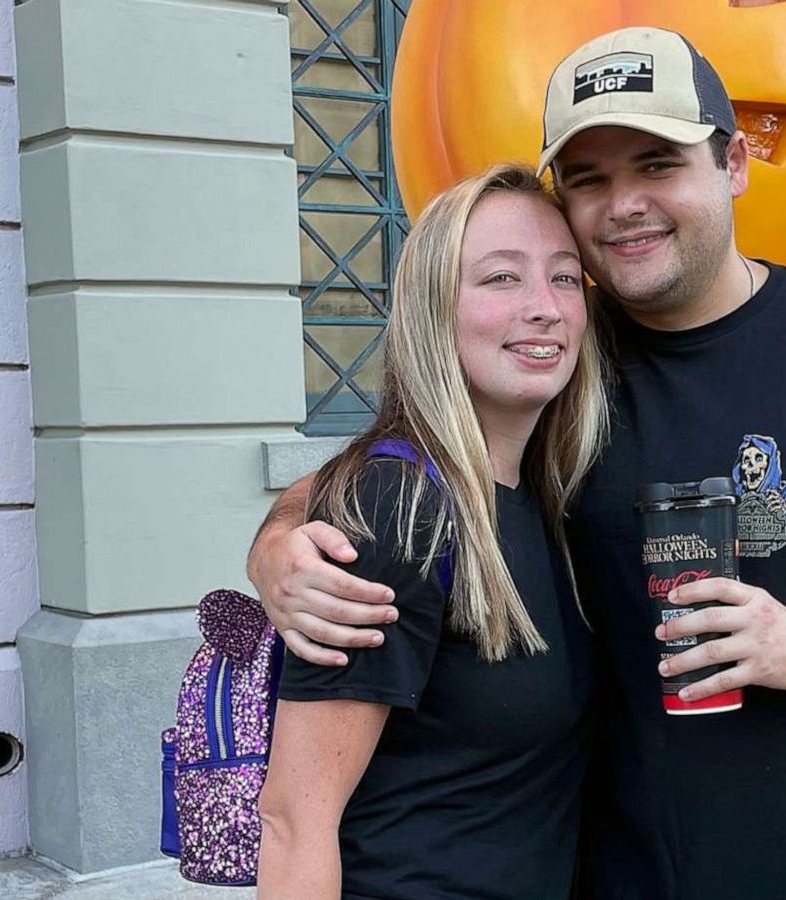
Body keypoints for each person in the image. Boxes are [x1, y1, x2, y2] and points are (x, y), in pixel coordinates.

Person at [249, 28, 786, 900]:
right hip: (627, 876)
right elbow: (420, 464)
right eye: (589, 179)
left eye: (658, 163)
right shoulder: (565, 365)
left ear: (735, 163)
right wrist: (284, 538)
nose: (623, 203)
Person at [254, 163, 609, 900]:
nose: (543, 307)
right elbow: (294, 821)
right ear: (431, 308)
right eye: (501, 279)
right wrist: (278, 540)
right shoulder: (400, 509)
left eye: (565, 278)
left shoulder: (542, 491)